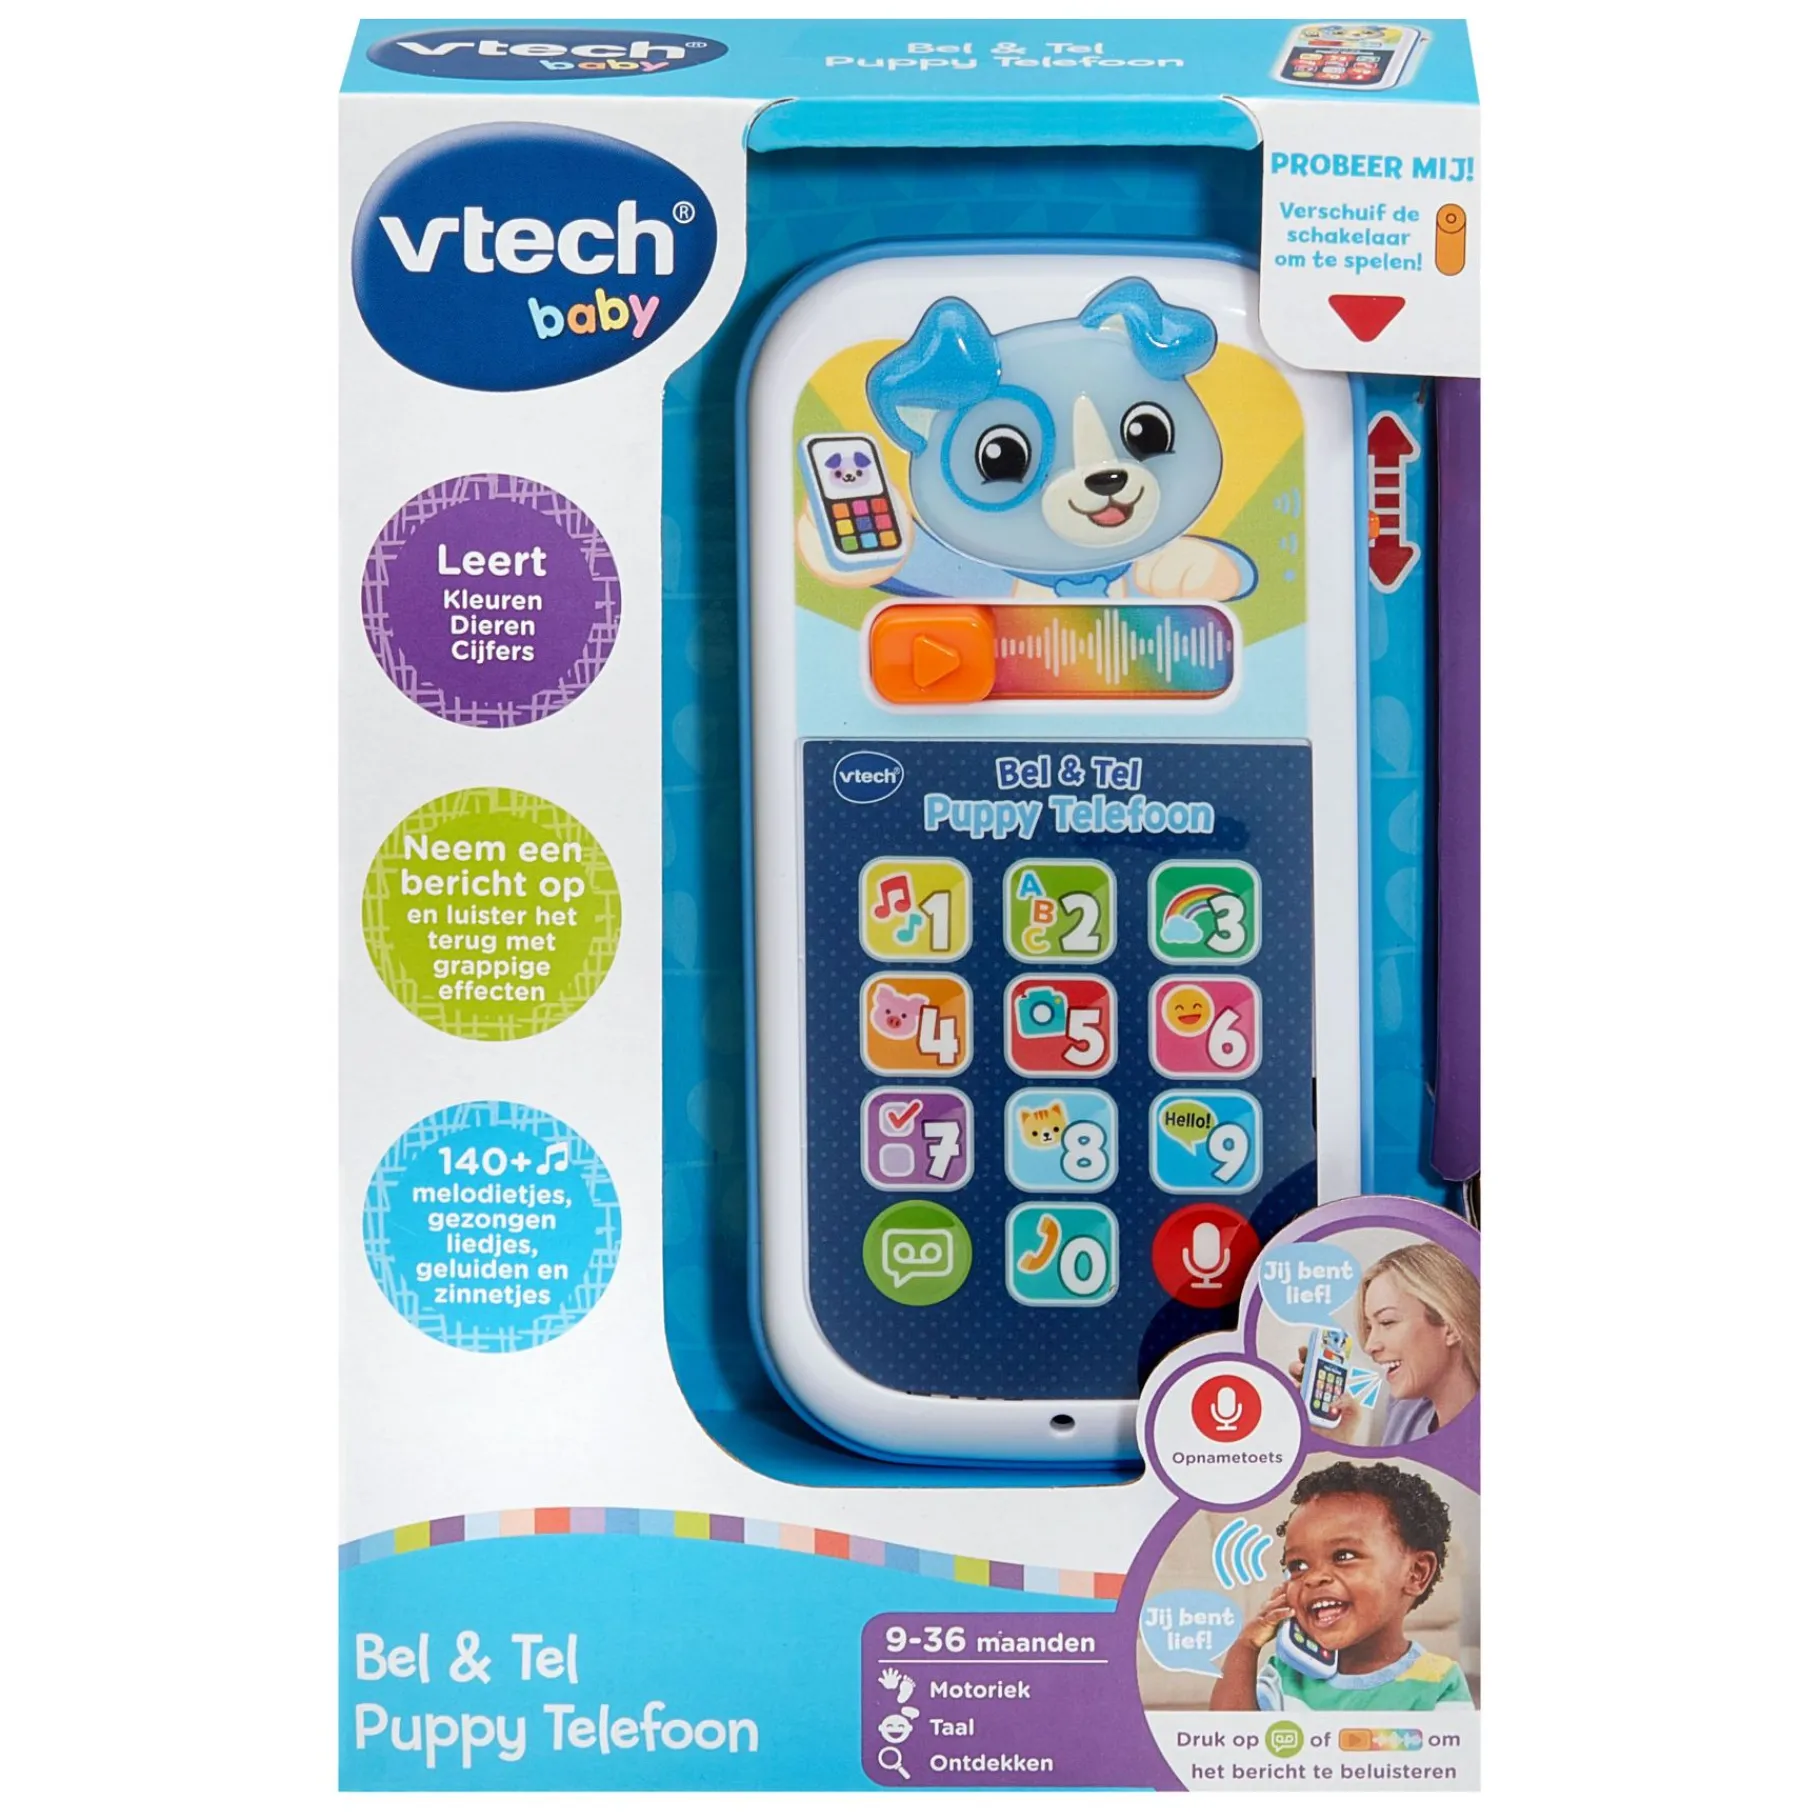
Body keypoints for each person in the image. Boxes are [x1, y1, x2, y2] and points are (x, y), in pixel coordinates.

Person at [1209, 1461, 1472, 1712]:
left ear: (1416, 1573)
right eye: (1298, 1565)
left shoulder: (1439, 1683)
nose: (1313, 1578)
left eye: (1343, 1556)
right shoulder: (1285, 1677)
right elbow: (1231, 1735)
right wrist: (1246, 1646)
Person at [1294, 1241, 1479, 1444]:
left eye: (1387, 1321)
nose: (1369, 1346)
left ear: (1450, 1327)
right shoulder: (1403, 1410)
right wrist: (1338, 1441)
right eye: (1369, 1327)